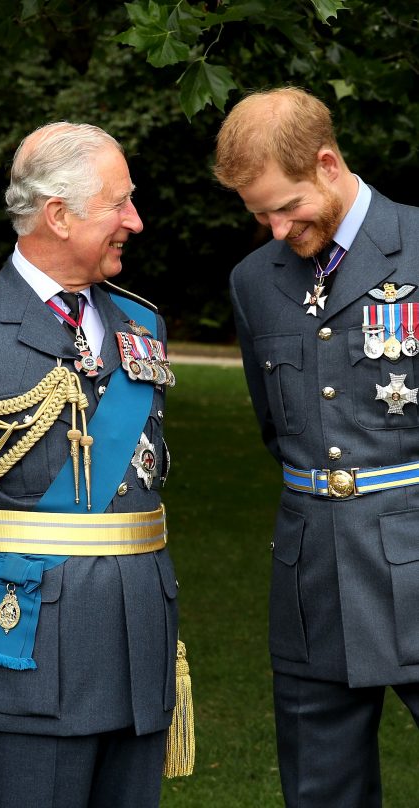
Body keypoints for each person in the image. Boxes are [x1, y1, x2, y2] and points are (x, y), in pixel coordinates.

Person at [0, 121, 189, 807]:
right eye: (120, 203)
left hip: (139, 626)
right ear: (58, 214)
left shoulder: (143, 324)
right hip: (20, 630)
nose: (135, 222)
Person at [214, 85, 419, 807]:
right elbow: (279, 428)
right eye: (258, 213)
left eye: (286, 206)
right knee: (320, 790)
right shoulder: (254, 281)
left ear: (328, 164)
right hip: (310, 578)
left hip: (416, 556)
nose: (274, 228)